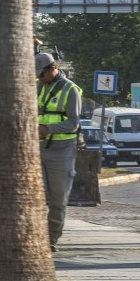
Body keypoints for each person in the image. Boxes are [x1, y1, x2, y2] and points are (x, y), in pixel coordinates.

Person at [36, 51, 82, 248]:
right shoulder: (39, 86)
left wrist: (48, 129)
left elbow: (74, 123)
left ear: (53, 68)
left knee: (58, 198)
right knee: (36, 196)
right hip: (39, 147)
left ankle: (51, 239)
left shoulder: (70, 90)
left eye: (42, 74)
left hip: (62, 149)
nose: (40, 78)